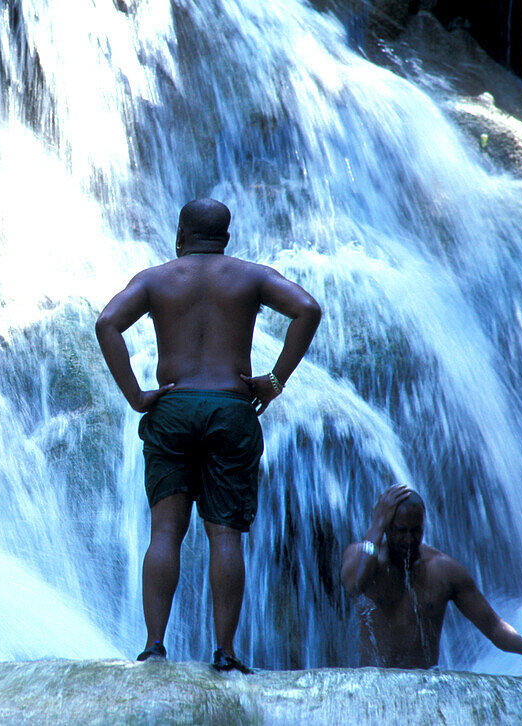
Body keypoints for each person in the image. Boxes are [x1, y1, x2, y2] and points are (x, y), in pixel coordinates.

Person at [95, 198, 321, 673]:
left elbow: (107, 323)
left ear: (180, 236)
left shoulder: (156, 278)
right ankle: (225, 652)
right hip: (230, 408)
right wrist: (274, 381)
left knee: (165, 532)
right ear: (226, 239)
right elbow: (307, 309)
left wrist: (137, 396)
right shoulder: (250, 276)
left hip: (173, 408)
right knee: (224, 537)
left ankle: (154, 646)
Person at [341, 485, 522, 669]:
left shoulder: (445, 571)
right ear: (386, 528)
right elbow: (354, 585)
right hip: (374, 687)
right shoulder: (361, 558)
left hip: (427, 685)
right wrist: (376, 525)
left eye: (416, 531)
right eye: (400, 531)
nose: (408, 539)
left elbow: (493, 625)